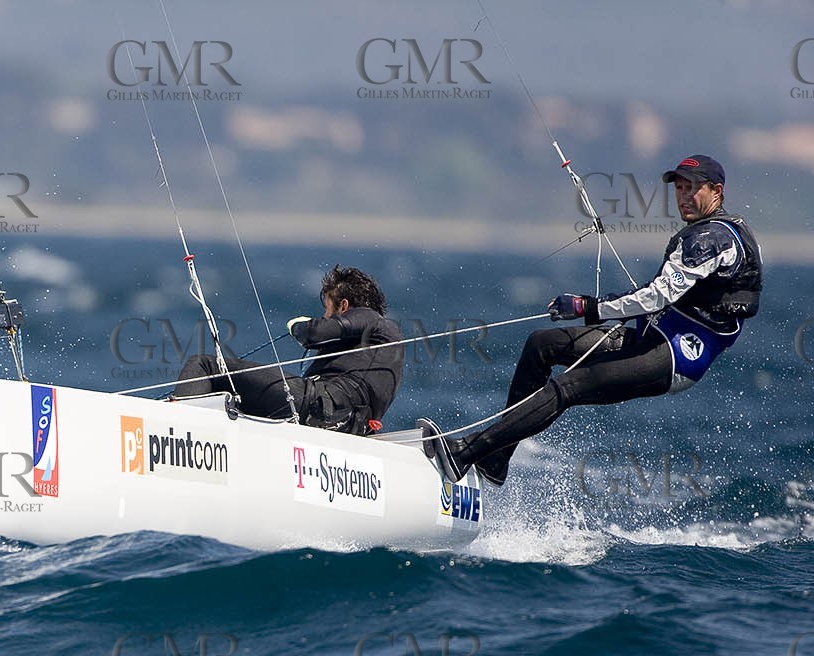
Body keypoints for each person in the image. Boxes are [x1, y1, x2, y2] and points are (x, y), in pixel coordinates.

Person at [423, 153, 762, 486]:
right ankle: (496, 460)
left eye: (693, 188)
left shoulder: (711, 239)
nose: (683, 196)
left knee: (567, 386)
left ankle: (465, 454)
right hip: (654, 337)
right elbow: (657, 294)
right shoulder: (707, 233)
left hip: (675, 356)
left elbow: (658, 296)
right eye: (679, 188)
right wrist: (597, 305)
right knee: (542, 344)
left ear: (716, 190)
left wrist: (590, 308)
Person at [171, 265, 404, 434]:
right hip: (346, 424)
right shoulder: (376, 346)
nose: (324, 315)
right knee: (236, 401)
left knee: (205, 366)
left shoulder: (372, 319)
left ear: (344, 306)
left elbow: (315, 333)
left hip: (320, 406)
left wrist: (298, 325)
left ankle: (176, 435)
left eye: (327, 308)